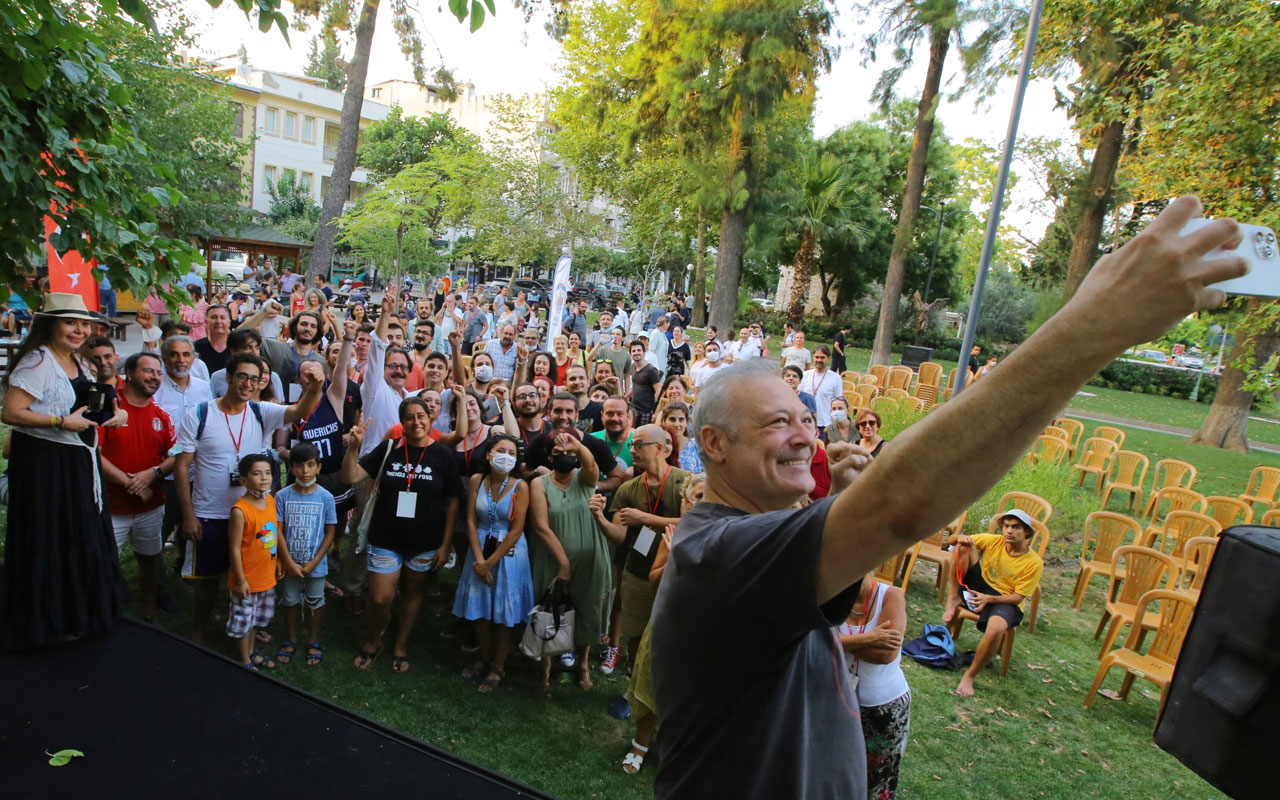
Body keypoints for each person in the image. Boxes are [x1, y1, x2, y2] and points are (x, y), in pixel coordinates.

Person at [647, 197, 1245, 798]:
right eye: (778, 423)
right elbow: (903, 503)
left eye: (806, 418)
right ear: (713, 445)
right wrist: (1098, 320)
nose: (806, 435)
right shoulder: (720, 553)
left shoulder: (755, 548)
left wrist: (840, 511)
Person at [0, 293, 126, 650]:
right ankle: (49, 621)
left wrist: (114, 416)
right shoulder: (38, 361)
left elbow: (84, 407)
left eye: (84, 324)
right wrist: (59, 422)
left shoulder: (77, 361)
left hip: (76, 462)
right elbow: (10, 412)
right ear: (50, 324)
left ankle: (79, 615)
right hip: (45, 465)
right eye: (71, 322)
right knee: (52, 537)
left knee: (80, 533)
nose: (79, 330)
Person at [172, 353, 324, 645]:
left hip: (253, 514)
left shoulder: (260, 411)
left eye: (254, 378)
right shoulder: (201, 414)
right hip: (210, 513)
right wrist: (189, 515)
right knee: (207, 580)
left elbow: (297, 412)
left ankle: (247, 629)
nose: (248, 383)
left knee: (251, 574)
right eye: (242, 376)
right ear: (228, 377)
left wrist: (315, 388)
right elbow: (181, 466)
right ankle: (200, 630)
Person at [342, 397, 464, 674]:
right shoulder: (388, 449)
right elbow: (350, 477)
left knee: (411, 592)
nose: (416, 422)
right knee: (380, 597)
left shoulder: (443, 456)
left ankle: (400, 644)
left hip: (424, 541)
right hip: (386, 537)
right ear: (402, 422)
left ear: (430, 419)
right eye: (409, 417)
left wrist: (446, 545)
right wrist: (353, 448)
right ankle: (374, 640)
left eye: (421, 416)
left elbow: (454, 500)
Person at [619, 472, 706, 775]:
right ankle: (640, 744)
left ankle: (678, 747)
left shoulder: (727, 536)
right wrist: (675, 559)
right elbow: (655, 582)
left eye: (712, 498)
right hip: (668, 622)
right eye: (698, 497)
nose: (704, 503)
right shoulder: (674, 534)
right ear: (686, 502)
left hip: (705, 630)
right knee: (654, 682)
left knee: (692, 692)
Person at [528, 430, 622, 690]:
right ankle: (544, 666)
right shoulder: (540, 484)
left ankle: (582, 664)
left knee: (588, 606)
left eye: (570, 454)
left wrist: (577, 445)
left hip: (591, 556)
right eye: (559, 453)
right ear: (549, 458)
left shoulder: (585, 478)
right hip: (552, 557)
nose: (565, 457)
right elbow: (541, 526)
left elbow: (592, 464)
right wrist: (563, 563)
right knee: (549, 609)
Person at [593, 425, 689, 675]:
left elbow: (694, 522)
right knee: (635, 633)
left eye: (638, 445)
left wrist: (644, 518)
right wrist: (599, 518)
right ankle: (631, 687)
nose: (631, 450)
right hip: (636, 571)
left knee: (666, 632)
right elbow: (618, 535)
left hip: (675, 572)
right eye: (631, 445)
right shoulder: (628, 488)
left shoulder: (685, 482)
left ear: (659, 448)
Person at [98, 352, 176, 622]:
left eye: (158, 372)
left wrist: (151, 475)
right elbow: (93, 453)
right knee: (103, 563)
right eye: (148, 371)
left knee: (150, 559)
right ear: (129, 374)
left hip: (150, 505)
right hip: (110, 506)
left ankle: (147, 614)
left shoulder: (162, 416)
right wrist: (131, 483)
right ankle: (103, 614)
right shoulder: (110, 408)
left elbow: (174, 457)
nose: (154, 377)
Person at [454, 434, 533, 692]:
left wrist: (490, 562)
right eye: (501, 450)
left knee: (503, 613)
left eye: (512, 453)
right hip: (478, 546)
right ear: (489, 454)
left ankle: (498, 665)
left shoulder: (520, 486)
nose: (506, 456)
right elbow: (470, 520)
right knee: (480, 608)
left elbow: (517, 529)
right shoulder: (477, 480)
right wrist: (479, 560)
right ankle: (484, 656)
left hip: (508, 553)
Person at [943, 509, 1044, 697]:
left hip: (1006, 601)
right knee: (964, 546)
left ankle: (970, 676)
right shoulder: (994, 540)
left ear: (1027, 533)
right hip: (981, 587)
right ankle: (954, 597)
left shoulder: (1034, 562)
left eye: (1016, 527)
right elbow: (950, 541)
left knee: (997, 628)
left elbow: (1018, 597)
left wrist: (989, 599)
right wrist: (961, 537)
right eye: (1006, 526)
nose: (1009, 531)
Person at [839, 575, 910, 798]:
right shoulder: (830, 597)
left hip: (884, 711)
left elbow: (885, 653)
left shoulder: (891, 596)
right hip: (837, 701)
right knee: (836, 773)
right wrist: (871, 638)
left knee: (878, 780)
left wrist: (837, 643)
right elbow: (811, 640)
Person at [274, 443, 338, 667]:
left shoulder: (326, 497)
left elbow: (330, 532)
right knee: (290, 600)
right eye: (299, 466)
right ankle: (291, 638)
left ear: (318, 467)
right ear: (291, 468)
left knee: (315, 601)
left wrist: (314, 562)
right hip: (290, 563)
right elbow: (277, 531)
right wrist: (288, 561)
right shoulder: (281, 496)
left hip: (315, 565)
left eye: (310, 465)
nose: (305, 471)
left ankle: (313, 640)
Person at [226, 454, 280, 670]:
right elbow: (234, 548)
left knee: (257, 619)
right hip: (247, 580)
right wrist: (240, 581)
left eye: (267, 473)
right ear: (244, 481)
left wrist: (279, 562)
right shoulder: (240, 511)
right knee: (244, 622)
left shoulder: (270, 500)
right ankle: (245, 660)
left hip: (266, 576)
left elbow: (274, 534)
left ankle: (251, 651)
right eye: (257, 474)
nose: (264, 478)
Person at [525, 392, 625, 491]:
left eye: (569, 411)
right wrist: (537, 473)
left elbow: (616, 478)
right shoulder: (539, 442)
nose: (563, 417)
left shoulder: (596, 445)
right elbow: (524, 473)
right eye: (558, 411)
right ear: (549, 415)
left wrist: (591, 487)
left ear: (577, 416)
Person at [210, 328, 286, 400]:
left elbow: (280, 406)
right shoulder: (217, 377)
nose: (255, 353)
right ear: (233, 350)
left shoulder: (271, 376)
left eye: (257, 347)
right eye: (248, 347)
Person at [798, 346, 841, 432]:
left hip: (824, 424)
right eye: (817, 357)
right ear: (813, 357)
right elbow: (798, 398)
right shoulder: (805, 375)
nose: (819, 360)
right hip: (803, 423)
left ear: (828, 358)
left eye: (822, 357)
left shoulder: (836, 378)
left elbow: (838, 402)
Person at [590, 395, 634, 473]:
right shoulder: (591, 440)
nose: (614, 419)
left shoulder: (637, 443)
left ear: (627, 416)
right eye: (610, 414)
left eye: (620, 414)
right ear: (602, 416)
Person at [661, 401, 702, 473]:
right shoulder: (659, 445)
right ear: (664, 422)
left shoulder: (696, 445)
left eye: (681, 420)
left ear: (686, 422)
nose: (677, 424)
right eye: (672, 419)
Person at [194, 304, 233, 376]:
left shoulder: (236, 347)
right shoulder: (195, 347)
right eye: (214, 317)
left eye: (222, 318)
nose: (218, 321)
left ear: (229, 323)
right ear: (206, 322)